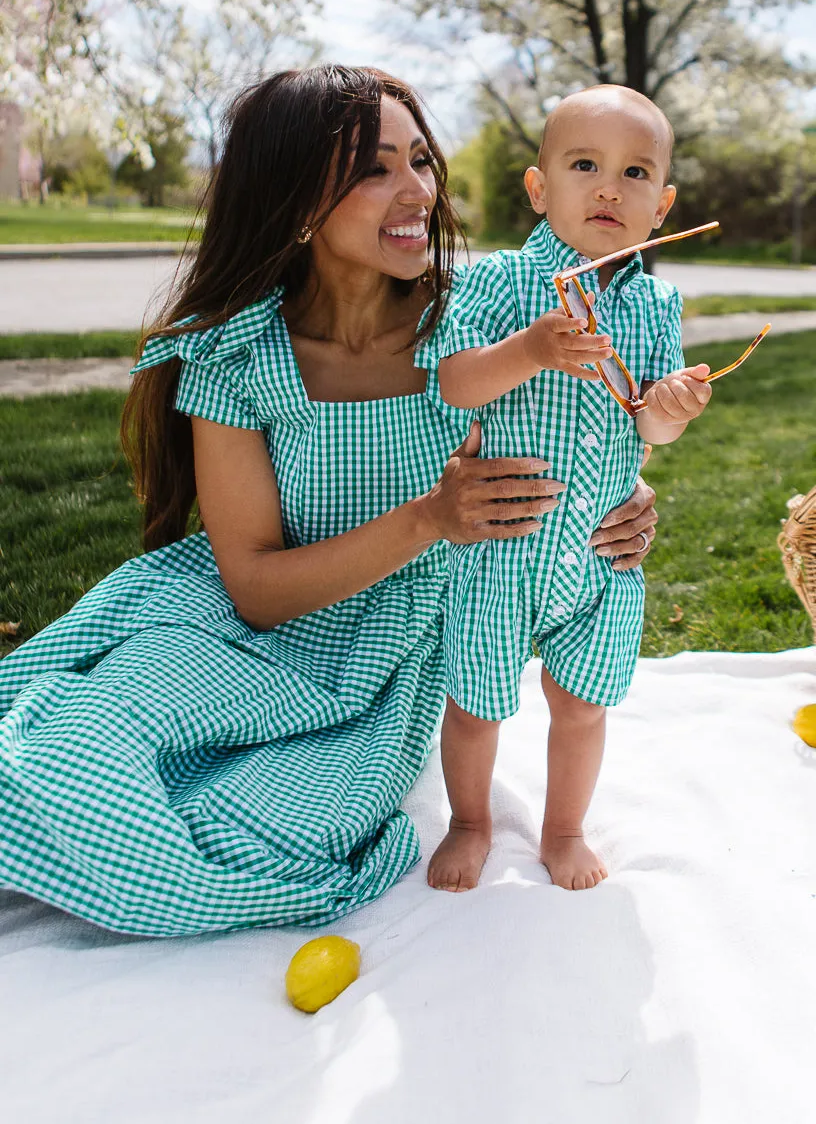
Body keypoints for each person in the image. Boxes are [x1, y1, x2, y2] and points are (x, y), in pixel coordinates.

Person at [0, 68, 658, 937]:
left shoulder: (484, 324)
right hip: (240, 624)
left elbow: (589, 422)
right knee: (72, 744)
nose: (418, 189)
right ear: (295, 197)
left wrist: (630, 492)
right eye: (374, 169)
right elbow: (257, 591)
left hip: (386, 650)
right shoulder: (238, 357)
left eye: (421, 160)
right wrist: (432, 516)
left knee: (267, 833)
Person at [415, 85, 711, 895]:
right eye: (586, 165)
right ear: (539, 187)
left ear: (664, 204)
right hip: (503, 549)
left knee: (581, 706)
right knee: (477, 703)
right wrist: (533, 350)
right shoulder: (500, 285)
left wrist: (670, 411)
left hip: (597, 555)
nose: (610, 188)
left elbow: (646, 423)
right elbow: (455, 383)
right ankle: (471, 821)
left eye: (636, 173)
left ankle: (563, 828)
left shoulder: (653, 304)